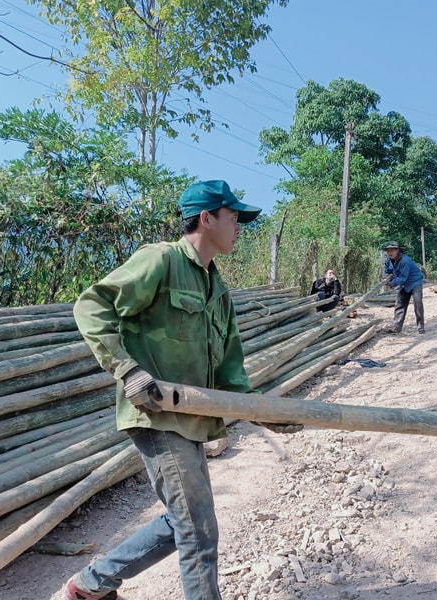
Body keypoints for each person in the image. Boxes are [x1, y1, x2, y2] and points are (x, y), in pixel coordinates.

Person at [66, 180, 302, 600]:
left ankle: (92, 584)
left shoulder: (219, 289)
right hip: (157, 416)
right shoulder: (161, 260)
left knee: (185, 521)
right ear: (206, 217)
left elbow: (230, 373)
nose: (239, 227)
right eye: (233, 218)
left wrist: (266, 413)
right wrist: (127, 369)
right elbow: (91, 305)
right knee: (199, 531)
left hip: (193, 421)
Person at [382, 240, 426, 334]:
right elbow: (387, 272)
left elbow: (403, 278)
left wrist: (392, 283)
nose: (390, 252)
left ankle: (420, 327)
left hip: (415, 282)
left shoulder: (405, 261)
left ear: (398, 250)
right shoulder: (388, 260)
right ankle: (396, 328)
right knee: (400, 303)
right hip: (404, 284)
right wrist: (386, 278)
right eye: (388, 250)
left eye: (392, 250)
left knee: (417, 302)